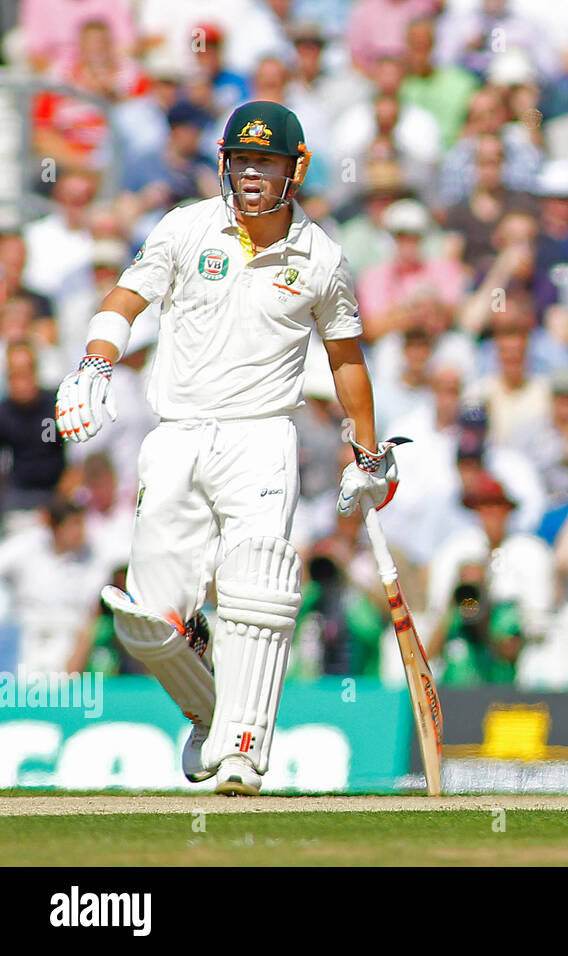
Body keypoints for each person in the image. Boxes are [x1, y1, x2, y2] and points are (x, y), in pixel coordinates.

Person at [52, 101, 397, 796]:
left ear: (295, 168)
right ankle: (210, 710)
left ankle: (244, 748)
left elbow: (347, 360)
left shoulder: (322, 258)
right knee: (147, 618)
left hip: (263, 436)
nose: (249, 172)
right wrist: (94, 364)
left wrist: (366, 450)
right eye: (241, 158)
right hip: (177, 434)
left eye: (264, 160)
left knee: (257, 585)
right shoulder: (185, 227)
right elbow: (126, 297)